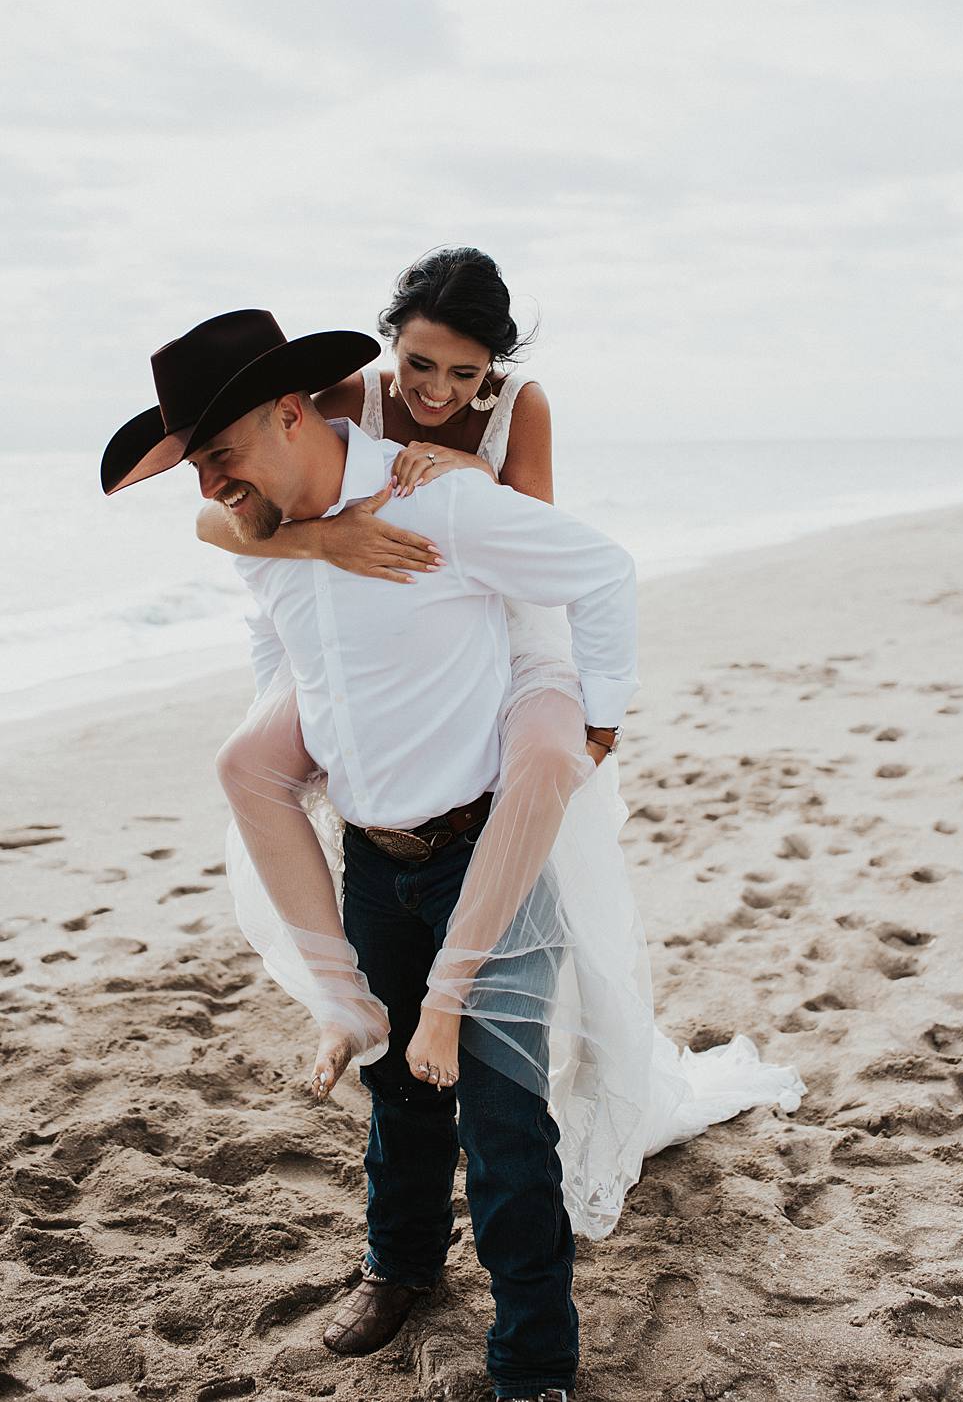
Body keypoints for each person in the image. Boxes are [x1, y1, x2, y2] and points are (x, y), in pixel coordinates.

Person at [194, 250, 805, 1251]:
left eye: (461, 376)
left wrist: (463, 482)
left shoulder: (522, 406)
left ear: (492, 371)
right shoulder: (342, 394)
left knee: (548, 760)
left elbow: (539, 547)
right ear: (389, 345)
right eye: (419, 367)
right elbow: (222, 518)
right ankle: (353, 1017)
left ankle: (488, 1016)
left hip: (508, 626)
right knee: (249, 764)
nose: (435, 393)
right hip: (385, 632)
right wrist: (324, 542)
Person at [101, 303, 642, 1402]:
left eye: (219, 454)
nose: (210, 486)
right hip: (372, 861)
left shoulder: (435, 498)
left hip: (482, 853)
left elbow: (601, 568)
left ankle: (533, 1361)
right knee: (397, 1092)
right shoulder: (264, 534)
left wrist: (598, 718)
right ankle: (397, 1270)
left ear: (294, 412)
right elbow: (278, 667)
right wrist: (301, 540)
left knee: (502, 1129)